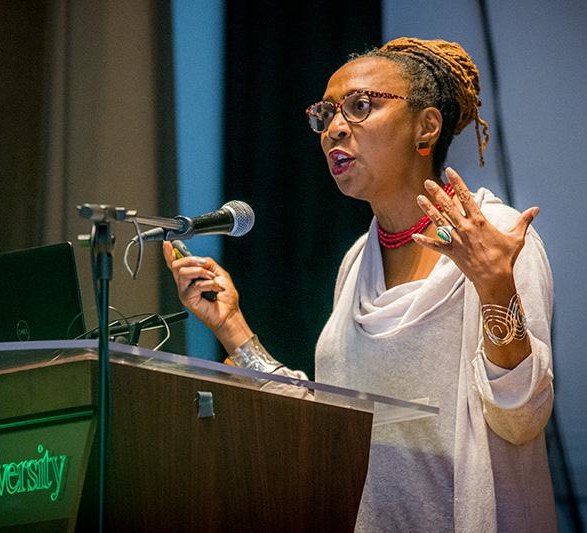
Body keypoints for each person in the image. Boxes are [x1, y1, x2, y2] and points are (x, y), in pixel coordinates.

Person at [163, 38, 555, 532]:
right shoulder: (356, 263)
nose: (333, 129)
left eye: (360, 106)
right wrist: (234, 330)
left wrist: (498, 288)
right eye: (324, 116)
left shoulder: (496, 237)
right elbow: (333, 423)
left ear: (426, 127)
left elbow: (521, 419)